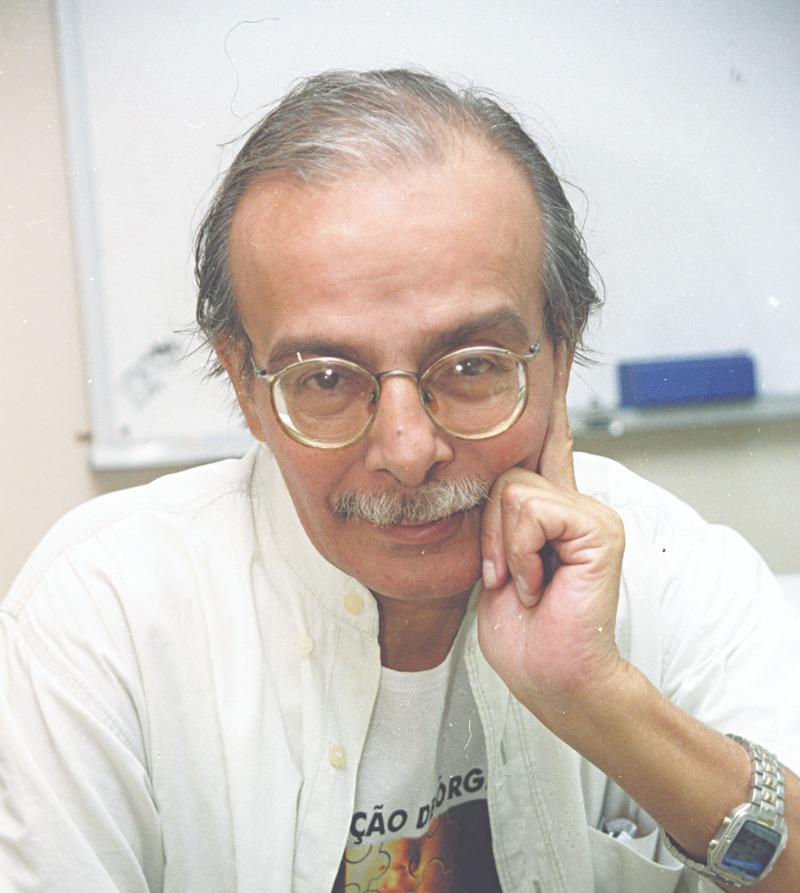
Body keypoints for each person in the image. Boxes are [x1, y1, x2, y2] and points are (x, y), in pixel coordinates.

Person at [1, 69, 797, 893]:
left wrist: (604, 701)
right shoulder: (107, 615)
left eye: (471, 365)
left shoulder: (674, 569)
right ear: (244, 385)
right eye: (325, 378)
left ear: (560, 353)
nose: (409, 449)